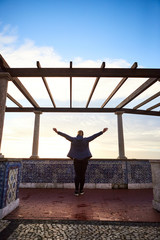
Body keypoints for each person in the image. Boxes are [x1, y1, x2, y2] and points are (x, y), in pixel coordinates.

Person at [53, 128, 108, 196]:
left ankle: (76, 191)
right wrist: (102, 132)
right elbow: (94, 136)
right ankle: (81, 190)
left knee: (77, 175)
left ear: (77, 134)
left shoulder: (73, 139)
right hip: (84, 159)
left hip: (76, 159)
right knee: (82, 175)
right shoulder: (86, 139)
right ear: (82, 134)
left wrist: (57, 132)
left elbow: (65, 135)